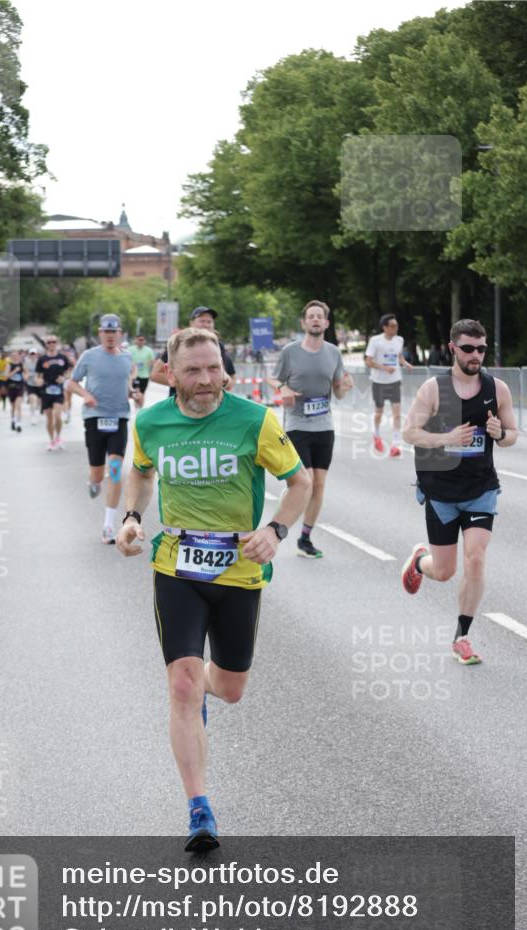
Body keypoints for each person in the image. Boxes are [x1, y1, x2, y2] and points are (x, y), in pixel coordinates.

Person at [116, 327, 310, 852]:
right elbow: (139, 472)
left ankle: (205, 679)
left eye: (213, 368)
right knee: (181, 685)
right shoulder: (152, 421)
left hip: (239, 570)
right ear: (171, 374)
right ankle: (199, 808)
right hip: (177, 565)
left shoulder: (254, 420)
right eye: (194, 371)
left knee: (227, 689)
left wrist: (275, 530)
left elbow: (300, 483)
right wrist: (132, 516)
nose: (206, 380)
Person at [401, 319, 518, 665]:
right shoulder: (434, 389)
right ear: (453, 348)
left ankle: (462, 636)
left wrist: (500, 434)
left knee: (477, 558)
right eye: (468, 348)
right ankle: (420, 563)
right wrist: (446, 439)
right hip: (440, 490)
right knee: (445, 571)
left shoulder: (497, 389)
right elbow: (410, 433)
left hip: (481, 488)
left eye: (481, 349)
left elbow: (513, 435)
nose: (476, 355)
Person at [268, 299, 353, 559]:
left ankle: (305, 538)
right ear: (305, 323)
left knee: (319, 485)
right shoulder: (291, 352)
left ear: (326, 323)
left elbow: (337, 392)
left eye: (320, 316)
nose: (316, 320)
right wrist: (283, 389)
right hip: (296, 424)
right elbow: (272, 378)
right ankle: (277, 529)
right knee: (304, 481)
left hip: (324, 425)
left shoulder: (334, 353)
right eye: (311, 316)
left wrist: (345, 386)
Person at [68, 314, 135, 543]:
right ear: (100, 333)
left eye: (113, 332)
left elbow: (126, 381)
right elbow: (71, 382)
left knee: (115, 469)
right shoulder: (89, 356)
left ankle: (108, 525)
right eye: (105, 332)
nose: (109, 336)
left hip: (119, 418)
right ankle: (94, 481)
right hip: (95, 418)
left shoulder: (127, 357)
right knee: (98, 472)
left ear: (120, 333)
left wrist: (132, 392)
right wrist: (85, 394)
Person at [150, 307, 236, 395]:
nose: (206, 325)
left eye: (209, 321)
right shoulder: (180, 344)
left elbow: (231, 377)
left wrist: (225, 381)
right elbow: (155, 374)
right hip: (182, 404)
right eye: (202, 321)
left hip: (213, 405)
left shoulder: (218, 346)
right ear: (191, 323)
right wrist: (185, 385)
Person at [365, 314, 413, 457]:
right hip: (379, 382)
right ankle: (376, 434)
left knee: (397, 414)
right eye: (392, 326)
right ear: (385, 327)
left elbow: (399, 357)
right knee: (379, 412)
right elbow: (368, 362)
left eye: (396, 326)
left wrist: (405, 363)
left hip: (395, 381)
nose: (395, 328)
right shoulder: (375, 341)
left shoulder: (399, 340)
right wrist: (385, 368)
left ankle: (396, 445)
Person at [36, 335, 71, 451]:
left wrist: (64, 378)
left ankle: (59, 437)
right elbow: (39, 376)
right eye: (49, 342)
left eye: (54, 342)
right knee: (49, 419)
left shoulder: (62, 358)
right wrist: (39, 381)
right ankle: (51, 440)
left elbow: (68, 372)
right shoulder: (42, 359)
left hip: (58, 391)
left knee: (57, 416)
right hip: (46, 392)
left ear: (57, 343)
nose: (51, 344)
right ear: (46, 344)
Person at [128, 333, 155, 410]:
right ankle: (137, 408)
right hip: (134, 376)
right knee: (137, 392)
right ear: (136, 340)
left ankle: (140, 409)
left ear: (145, 341)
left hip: (145, 375)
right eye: (139, 340)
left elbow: (153, 362)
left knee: (142, 394)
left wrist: (149, 363)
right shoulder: (130, 349)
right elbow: (126, 360)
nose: (141, 341)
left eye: (142, 340)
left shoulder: (149, 350)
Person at [5, 349, 25, 432]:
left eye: (16, 355)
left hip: (20, 387)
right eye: (13, 356)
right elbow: (6, 376)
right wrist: (14, 371)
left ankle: (19, 424)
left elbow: (26, 372)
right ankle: (13, 420)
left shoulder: (21, 364)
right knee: (13, 406)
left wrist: (25, 377)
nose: (15, 357)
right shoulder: (8, 365)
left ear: (18, 356)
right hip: (11, 387)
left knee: (18, 406)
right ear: (11, 357)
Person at [24, 349, 41, 425]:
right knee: (32, 400)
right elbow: (26, 373)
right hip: (30, 384)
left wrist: (38, 377)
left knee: (38, 402)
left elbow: (42, 373)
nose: (33, 355)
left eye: (34, 354)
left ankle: (37, 411)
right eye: (31, 354)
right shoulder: (26, 363)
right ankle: (33, 416)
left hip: (39, 384)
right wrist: (28, 376)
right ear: (29, 354)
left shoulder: (40, 362)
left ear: (37, 354)